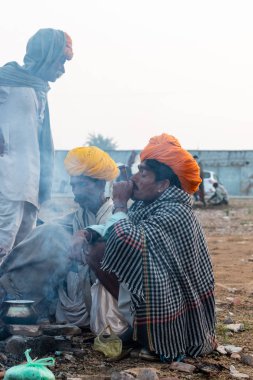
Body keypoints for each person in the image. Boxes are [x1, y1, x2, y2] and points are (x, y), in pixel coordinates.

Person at [86, 133, 216, 361]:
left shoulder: (175, 211)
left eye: (143, 173)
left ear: (163, 185)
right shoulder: (150, 205)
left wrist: (118, 203)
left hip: (177, 314)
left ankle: (151, 336)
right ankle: (139, 328)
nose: (134, 178)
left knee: (99, 251)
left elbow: (126, 240)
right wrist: (88, 232)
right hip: (162, 296)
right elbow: (114, 229)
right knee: (94, 247)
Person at [0, 146, 119, 323]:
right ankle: (7, 292)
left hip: (107, 302)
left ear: (101, 184)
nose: (75, 191)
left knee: (53, 234)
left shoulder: (116, 216)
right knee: (48, 233)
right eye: (73, 185)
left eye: (82, 185)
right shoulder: (77, 217)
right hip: (72, 301)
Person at [0, 28, 73, 260]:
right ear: (46, 55)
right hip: (7, 184)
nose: (62, 69)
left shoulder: (38, 89)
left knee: (18, 255)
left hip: (30, 187)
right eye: (60, 61)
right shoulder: (7, 80)